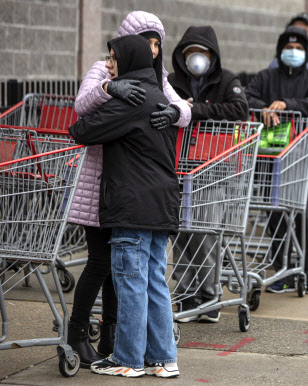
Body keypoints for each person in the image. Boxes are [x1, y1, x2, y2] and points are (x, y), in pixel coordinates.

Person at [67, 10, 190, 367]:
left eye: (157, 44)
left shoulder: (155, 81)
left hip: (128, 189)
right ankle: (85, 334)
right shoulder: (104, 69)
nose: (153, 51)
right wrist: (109, 86)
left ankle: (123, 349)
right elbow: (81, 104)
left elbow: (182, 108)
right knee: (108, 264)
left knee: (129, 274)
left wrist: (174, 113)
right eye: (146, 43)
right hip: (102, 184)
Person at [167, 25, 249, 323]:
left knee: (205, 231)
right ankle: (188, 294)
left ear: (211, 56)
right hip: (180, 164)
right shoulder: (172, 82)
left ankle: (209, 295)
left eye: (200, 53)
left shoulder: (227, 81)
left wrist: (196, 110)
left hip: (215, 167)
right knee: (181, 231)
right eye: (190, 53)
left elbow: (240, 110)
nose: (196, 59)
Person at [246, 26, 308, 294]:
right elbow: (246, 97)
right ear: (279, 50)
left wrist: (288, 104)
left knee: (303, 216)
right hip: (272, 160)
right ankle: (281, 269)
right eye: (288, 48)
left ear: (306, 52)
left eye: (298, 48)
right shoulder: (265, 77)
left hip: (302, 160)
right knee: (276, 217)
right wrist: (262, 109)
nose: (293, 52)